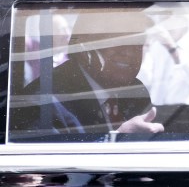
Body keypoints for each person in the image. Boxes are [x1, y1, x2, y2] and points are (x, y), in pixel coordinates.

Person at [9, 8, 164, 142]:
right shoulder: (44, 103)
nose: (129, 52)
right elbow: (49, 170)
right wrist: (118, 139)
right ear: (84, 45)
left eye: (137, 42)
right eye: (118, 40)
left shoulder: (136, 90)